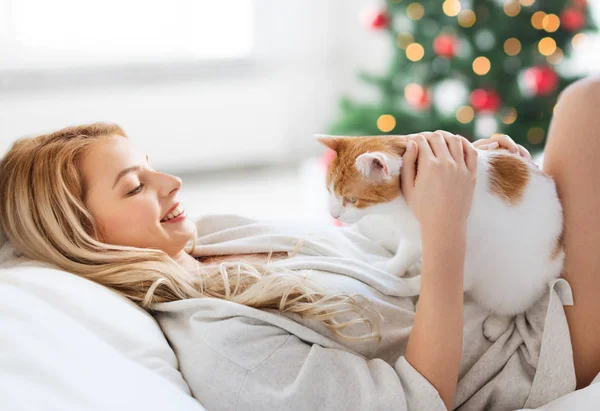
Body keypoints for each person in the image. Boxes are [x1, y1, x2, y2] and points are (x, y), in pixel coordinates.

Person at [0, 76, 598, 410]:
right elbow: (414, 402)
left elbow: (381, 256)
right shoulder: (221, 344)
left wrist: (486, 193)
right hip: (538, 343)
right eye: (135, 187)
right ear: (86, 238)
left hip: (514, 274)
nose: (172, 183)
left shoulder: (218, 236)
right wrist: (447, 234)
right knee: (587, 104)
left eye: (151, 166)